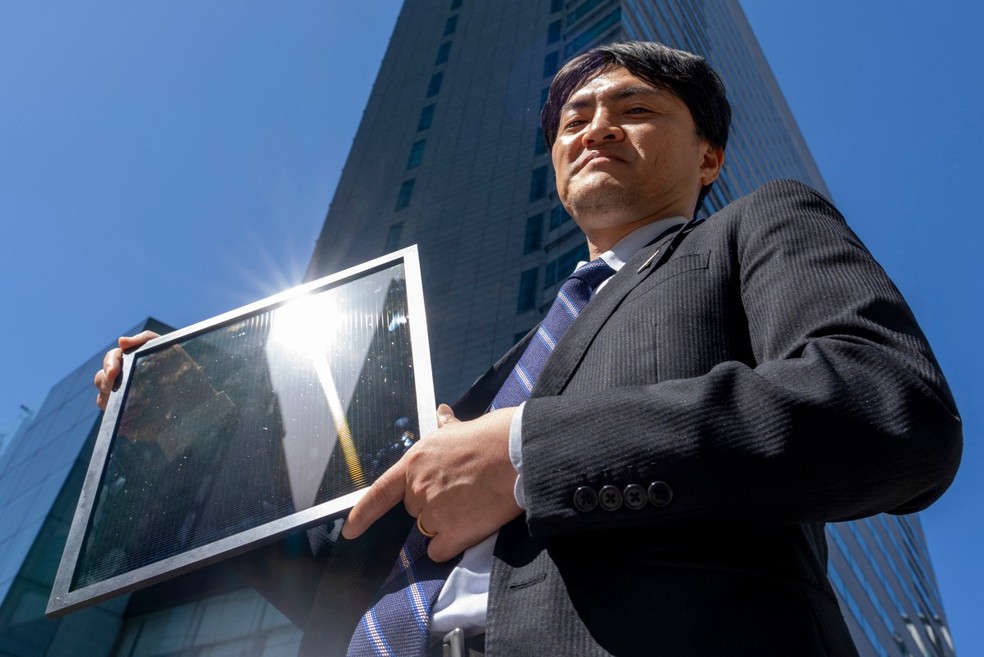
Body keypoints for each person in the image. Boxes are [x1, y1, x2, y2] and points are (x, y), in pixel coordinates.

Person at [96, 41, 961, 656]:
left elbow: (889, 407)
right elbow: (338, 566)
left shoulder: (755, 227)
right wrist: (196, 433)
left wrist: (521, 455)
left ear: (708, 157)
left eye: (635, 109)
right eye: (574, 118)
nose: (595, 127)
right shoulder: (487, 380)